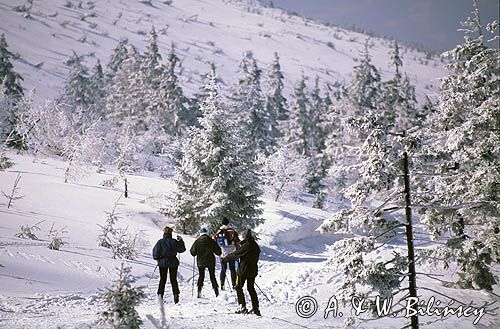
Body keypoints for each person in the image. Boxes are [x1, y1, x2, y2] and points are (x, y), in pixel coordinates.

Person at [222, 228, 261, 316]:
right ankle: (256, 308)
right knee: (251, 288)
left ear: (245, 236)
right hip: (253, 270)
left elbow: (236, 254)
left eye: (243, 235)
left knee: (238, 287)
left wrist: (225, 258)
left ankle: (242, 306)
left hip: (243, 271)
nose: (242, 237)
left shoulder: (247, 245)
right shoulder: (255, 245)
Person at [152, 226, 186, 304]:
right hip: (173, 261)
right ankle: (176, 294)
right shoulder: (174, 241)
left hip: (163, 262)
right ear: (171, 233)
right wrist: (180, 241)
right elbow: (182, 250)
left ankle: (160, 295)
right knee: (173, 279)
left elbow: (155, 253)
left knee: (163, 279)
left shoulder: (160, 242)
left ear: (164, 232)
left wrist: (158, 259)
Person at [190, 227, 222, 298]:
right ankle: (216, 292)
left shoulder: (197, 241)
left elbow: (192, 253)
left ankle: (199, 291)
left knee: (201, 276)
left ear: (200, 234)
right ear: (206, 233)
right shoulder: (211, 241)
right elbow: (218, 251)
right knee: (212, 276)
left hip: (201, 262)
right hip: (210, 261)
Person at [213, 217, 240, 290]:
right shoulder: (232, 231)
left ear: (222, 223)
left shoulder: (218, 231)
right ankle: (234, 284)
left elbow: (214, 240)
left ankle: (222, 284)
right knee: (232, 269)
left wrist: (217, 251)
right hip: (232, 253)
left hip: (223, 254)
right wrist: (238, 252)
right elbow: (237, 242)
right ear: (228, 223)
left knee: (223, 269)